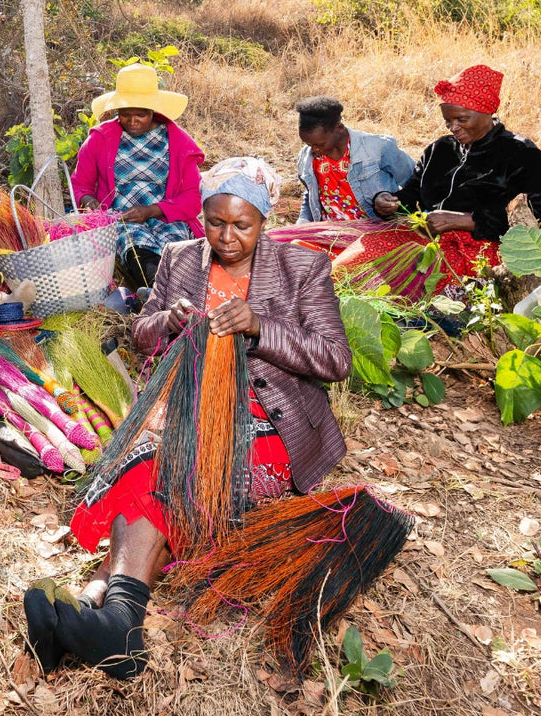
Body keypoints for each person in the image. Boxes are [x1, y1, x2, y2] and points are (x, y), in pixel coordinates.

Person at [24, 158, 350, 679]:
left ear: (264, 219)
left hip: (268, 412)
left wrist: (260, 327)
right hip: (185, 398)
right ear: (201, 216)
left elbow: (336, 359)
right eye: (215, 222)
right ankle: (116, 619)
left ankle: (100, 596)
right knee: (146, 457)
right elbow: (139, 331)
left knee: (172, 461)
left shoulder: (301, 268)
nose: (226, 236)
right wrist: (166, 321)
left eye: (242, 225)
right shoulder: (178, 257)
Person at [338, 65, 541, 296]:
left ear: (486, 111)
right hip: (426, 237)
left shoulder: (521, 153)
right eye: (447, 121)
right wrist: (388, 201)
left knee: (417, 279)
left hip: (481, 248)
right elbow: (413, 195)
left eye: (461, 119)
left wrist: (466, 221)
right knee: (359, 260)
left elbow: (537, 216)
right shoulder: (440, 149)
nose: (453, 127)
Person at [71, 64, 205, 291]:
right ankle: (157, 292)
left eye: (141, 115)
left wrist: (153, 210)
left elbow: (193, 197)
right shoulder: (100, 139)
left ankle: (184, 293)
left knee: (177, 247)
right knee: (136, 248)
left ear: (154, 111)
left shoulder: (178, 142)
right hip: (122, 217)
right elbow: (80, 183)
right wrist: (88, 200)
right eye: (124, 114)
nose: (132, 121)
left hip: (166, 214)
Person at [294, 96, 415, 223]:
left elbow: (417, 181)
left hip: (376, 230)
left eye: (320, 144)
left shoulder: (377, 148)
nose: (315, 150)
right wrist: (303, 221)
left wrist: (390, 201)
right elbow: (311, 195)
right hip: (329, 232)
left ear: (339, 128)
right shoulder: (307, 157)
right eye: (309, 144)